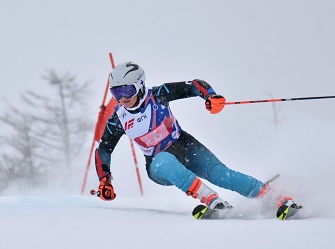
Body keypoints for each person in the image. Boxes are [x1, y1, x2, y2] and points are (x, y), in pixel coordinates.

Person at [94, 61, 301, 217]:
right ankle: (210, 199)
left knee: (221, 174)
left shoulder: (158, 94)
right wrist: (105, 180)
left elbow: (194, 85)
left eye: (126, 90)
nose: (122, 97)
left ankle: (276, 198)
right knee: (163, 160)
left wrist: (210, 96)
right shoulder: (118, 119)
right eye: (116, 92)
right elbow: (103, 149)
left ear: (139, 85)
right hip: (157, 165)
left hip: (184, 145)